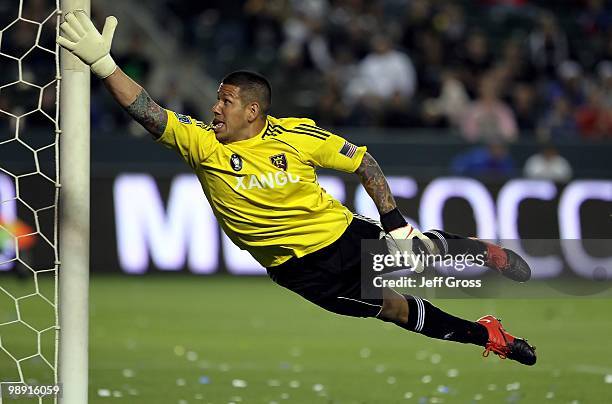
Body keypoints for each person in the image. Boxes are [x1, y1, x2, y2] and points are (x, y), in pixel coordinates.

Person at [57, 11, 536, 366]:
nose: (215, 108)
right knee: (394, 310)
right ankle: (486, 334)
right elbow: (149, 112)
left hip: (343, 234)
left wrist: (395, 223)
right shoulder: (202, 142)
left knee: (420, 252)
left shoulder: (296, 134)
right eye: (216, 99)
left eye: (225, 100)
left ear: (253, 110)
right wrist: (103, 64)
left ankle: (483, 253)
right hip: (300, 270)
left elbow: (363, 162)